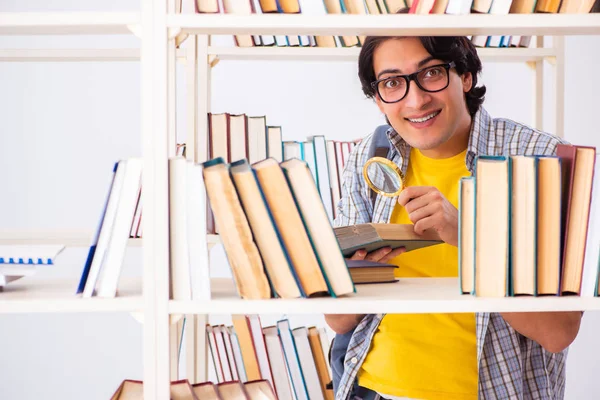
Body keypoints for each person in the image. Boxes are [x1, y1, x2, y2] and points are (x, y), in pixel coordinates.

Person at [325, 36, 583, 400]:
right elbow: (338, 321)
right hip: (371, 390)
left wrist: (469, 236)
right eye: (392, 82)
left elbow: (557, 332)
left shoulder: (538, 159)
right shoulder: (369, 157)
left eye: (431, 73)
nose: (415, 101)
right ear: (379, 98)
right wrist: (355, 273)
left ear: (465, 76)